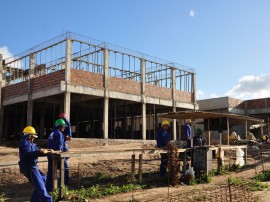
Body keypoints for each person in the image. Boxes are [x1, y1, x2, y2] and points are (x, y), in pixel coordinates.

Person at [18, 126, 53, 202]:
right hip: (29, 168)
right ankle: (48, 200)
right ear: (30, 135)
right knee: (41, 187)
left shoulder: (31, 144)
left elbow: (37, 152)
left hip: (33, 167)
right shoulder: (24, 143)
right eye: (33, 136)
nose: (34, 138)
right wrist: (39, 151)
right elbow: (28, 154)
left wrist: (48, 152)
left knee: (44, 179)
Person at [46, 119, 69, 192]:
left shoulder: (52, 133)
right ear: (59, 126)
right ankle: (64, 188)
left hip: (50, 155)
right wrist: (62, 155)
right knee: (66, 168)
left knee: (51, 172)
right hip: (57, 156)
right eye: (63, 126)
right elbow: (59, 147)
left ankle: (49, 189)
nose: (64, 127)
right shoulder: (59, 134)